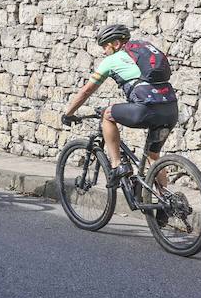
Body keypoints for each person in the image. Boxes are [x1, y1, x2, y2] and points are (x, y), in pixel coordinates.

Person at [61, 24, 179, 186]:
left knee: (107, 115)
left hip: (146, 109)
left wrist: (68, 113)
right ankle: (166, 203)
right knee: (153, 157)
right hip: (170, 110)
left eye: (105, 46)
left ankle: (117, 165)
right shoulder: (141, 54)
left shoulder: (111, 61)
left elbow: (86, 91)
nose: (103, 51)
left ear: (116, 44)